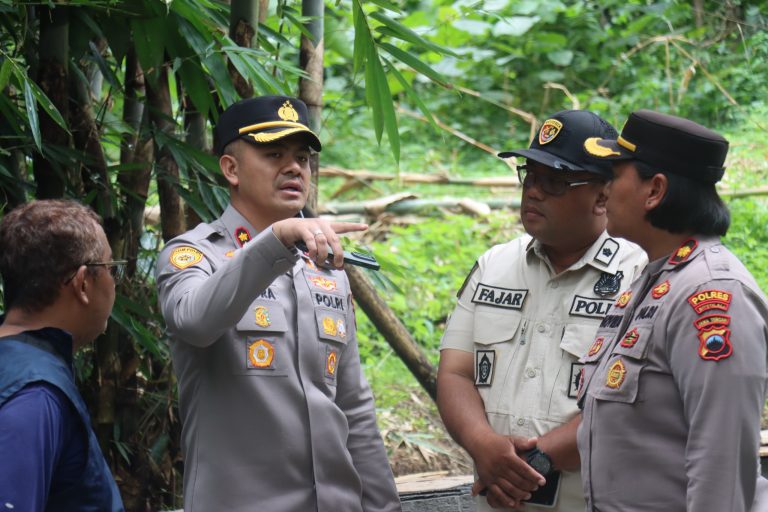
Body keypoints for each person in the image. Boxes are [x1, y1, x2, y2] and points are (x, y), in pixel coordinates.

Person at [155, 95, 401, 512]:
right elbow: (195, 321)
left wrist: (384, 507)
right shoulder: (195, 256)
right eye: (274, 155)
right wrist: (275, 241)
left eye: (302, 158)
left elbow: (353, 406)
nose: (294, 168)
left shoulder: (327, 269)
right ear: (231, 169)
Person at [437, 110, 647, 511]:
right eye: (529, 176)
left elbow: (636, 400)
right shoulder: (494, 266)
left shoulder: (640, 273)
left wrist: (530, 463)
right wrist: (483, 445)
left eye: (554, 181)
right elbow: (456, 372)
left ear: (602, 195)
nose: (533, 192)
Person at [577, 109, 768, 511]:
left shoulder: (712, 294)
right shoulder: (655, 279)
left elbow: (720, 468)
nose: (603, 191)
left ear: (655, 190)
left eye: (614, 176)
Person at [0, 199, 125, 511]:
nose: (114, 282)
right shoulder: (35, 396)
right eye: (110, 268)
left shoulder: (19, 361)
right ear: (83, 284)